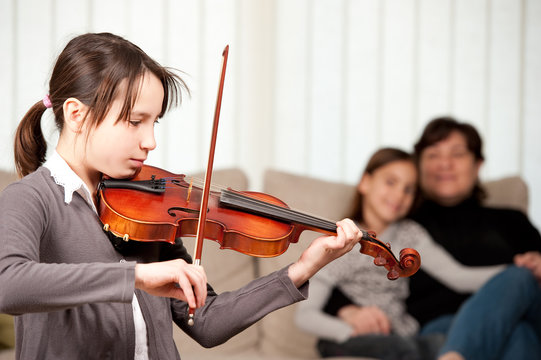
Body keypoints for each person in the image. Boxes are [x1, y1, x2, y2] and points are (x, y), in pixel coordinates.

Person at [0, 33, 363, 360]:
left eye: (153, 122)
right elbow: (8, 283)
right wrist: (136, 276)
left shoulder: (144, 211)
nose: (150, 142)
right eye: (134, 121)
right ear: (77, 114)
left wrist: (303, 268)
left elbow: (205, 321)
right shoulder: (30, 198)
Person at [294, 147, 505, 360]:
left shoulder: (410, 234)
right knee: (404, 348)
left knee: (456, 331)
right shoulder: (340, 241)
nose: (399, 195)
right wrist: (348, 331)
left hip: (402, 334)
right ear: (365, 182)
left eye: (408, 189)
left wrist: (512, 271)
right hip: (355, 337)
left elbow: (458, 276)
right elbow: (305, 316)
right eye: (391, 182)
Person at [408, 117, 541, 360]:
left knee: (521, 276)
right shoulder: (405, 226)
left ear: (477, 164)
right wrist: (347, 311)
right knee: (520, 334)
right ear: (418, 165)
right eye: (433, 155)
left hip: (522, 313)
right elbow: (357, 279)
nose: (445, 163)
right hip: (442, 327)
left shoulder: (513, 221)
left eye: (457, 154)